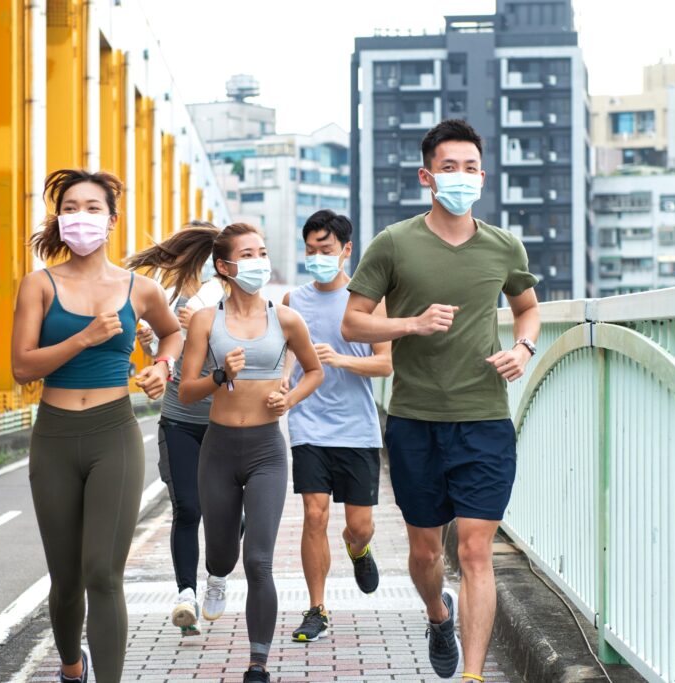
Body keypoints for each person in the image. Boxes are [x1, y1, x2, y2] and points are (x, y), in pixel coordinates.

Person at [341, 119, 541, 682]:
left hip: (484, 418)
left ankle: (473, 676)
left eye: (471, 167)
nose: (461, 176)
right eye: (449, 167)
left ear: (484, 174)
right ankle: (436, 613)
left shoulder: (503, 245)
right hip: (415, 421)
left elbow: (527, 308)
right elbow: (353, 321)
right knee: (427, 554)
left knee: (476, 553)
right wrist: (411, 324)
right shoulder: (395, 243)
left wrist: (523, 348)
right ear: (428, 176)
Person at [11, 169, 183, 683]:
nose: (79, 216)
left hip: (115, 435)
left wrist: (162, 367)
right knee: (65, 581)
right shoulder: (39, 286)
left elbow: (173, 336)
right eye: (69, 207)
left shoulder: (140, 288)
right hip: (55, 437)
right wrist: (83, 338)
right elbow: (22, 368)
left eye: (91, 208)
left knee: (103, 575)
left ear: (111, 221)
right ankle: (70, 668)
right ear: (58, 220)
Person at [178, 223, 324, 683]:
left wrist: (289, 398)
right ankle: (216, 577)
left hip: (266, 452)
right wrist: (220, 376)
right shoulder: (206, 320)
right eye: (248, 254)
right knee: (222, 553)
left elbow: (314, 372)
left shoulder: (286, 319)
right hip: (218, 450)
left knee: (259, 559)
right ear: (225, 266)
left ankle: (258, 662)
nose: (259, 260)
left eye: (263, 251)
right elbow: (186, 392)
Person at [280, 209, 392, 643]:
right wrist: (284, 378)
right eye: (310, 251)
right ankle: (317, 609)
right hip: (308, 424)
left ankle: (359, 548)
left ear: (346, 251)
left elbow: (385, 363)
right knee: (313, 514)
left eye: (325, 250)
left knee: (359, 524)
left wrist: (340, 358)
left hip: (358, 429)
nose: (317, 257)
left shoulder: (367, 301)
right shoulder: (293, 301)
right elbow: (287, 353)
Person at [125, 220, 227, 637]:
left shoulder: (238, 298)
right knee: (188, 507)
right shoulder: (174, 298)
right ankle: (186, 595)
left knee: (230, 518)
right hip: (181, 419)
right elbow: (167, 355)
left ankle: (216, 578)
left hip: (227, 422)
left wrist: (208, 323)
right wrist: (152, 342)